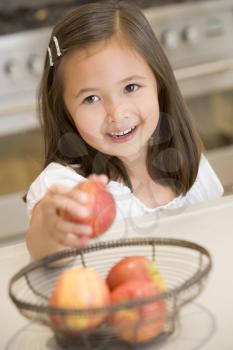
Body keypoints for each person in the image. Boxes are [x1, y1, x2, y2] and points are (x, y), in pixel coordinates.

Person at [26, 0, 223, 259]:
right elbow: (44, 248)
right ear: (64, 109)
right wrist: (52, 230)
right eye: (91, 99)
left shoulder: (190, 165)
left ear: (158, 83)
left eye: (130, 88)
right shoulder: (67, 188)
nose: (117, 114)